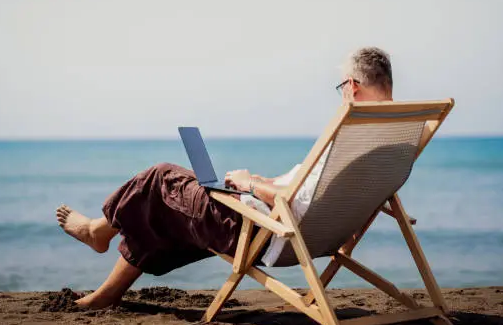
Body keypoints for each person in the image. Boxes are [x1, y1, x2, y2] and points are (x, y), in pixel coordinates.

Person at [56, 46, 407, 309]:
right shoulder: (392, 139)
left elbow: (295, 200)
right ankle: (106, 294)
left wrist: (250, 184)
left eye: (340, 87)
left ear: (351, 86)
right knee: (166, 208)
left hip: (262, 232)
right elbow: (321, 197)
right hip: (295, 230)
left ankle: (96, 232)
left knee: (160, 179)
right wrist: (262, 183)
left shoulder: (351, 130)